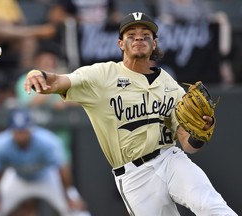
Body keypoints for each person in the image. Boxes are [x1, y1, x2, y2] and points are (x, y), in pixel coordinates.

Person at [24, 12, 238, 215]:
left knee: (211, 206)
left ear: (154, 44)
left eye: (146, 36)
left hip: (170, 160)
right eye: (131, 35)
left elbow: (188, 144)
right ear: (120, 43)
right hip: (135, 176)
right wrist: (39, 73)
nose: (139, 39)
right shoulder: (101, 75)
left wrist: (200, 135)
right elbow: (60, 81)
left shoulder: (170, 85)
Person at [0, 109, 90, 216]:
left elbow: (62, 169)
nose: (21, 135)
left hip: (46, 177)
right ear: (11, 130)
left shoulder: (47, 141)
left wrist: (68, 197)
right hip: (17, 178)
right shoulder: (0, 144)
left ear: (31, 129)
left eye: (24, 130)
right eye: (17, 131)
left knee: (77, 211)